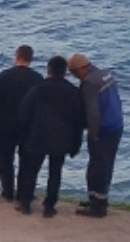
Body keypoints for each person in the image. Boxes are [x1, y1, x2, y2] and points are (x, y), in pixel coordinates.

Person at [15, 55, 84, 216]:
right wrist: (76, 143)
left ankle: (25, 203)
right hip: (61, 138)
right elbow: (78, 121)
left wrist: (22, 137)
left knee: (31, 170)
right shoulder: (73, 92)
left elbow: (24, 114)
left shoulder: (37, 89)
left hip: (37, 136)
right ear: (65, 71)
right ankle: (49, 206)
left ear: (49, 70)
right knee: (55, 172)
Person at [67, 53, 124, 218]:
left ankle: (97, 206)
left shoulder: (89, 83)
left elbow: (93, 112)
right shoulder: (104, 74)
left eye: (74, 72)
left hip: (103, 129)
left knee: (96, 168)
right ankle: (99, 199)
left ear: (81, 68)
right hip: (116, 125)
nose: (74, 76)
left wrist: (92, 133)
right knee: (107, 165)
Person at [0, 45, 44, 203]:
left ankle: (7, 191)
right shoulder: (37, 78)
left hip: (4, 124)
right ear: (31, 58)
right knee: (27, 160)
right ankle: (24, 192)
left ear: (17, 56)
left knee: (5, 159)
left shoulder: (4, 76)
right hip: (27, 126)